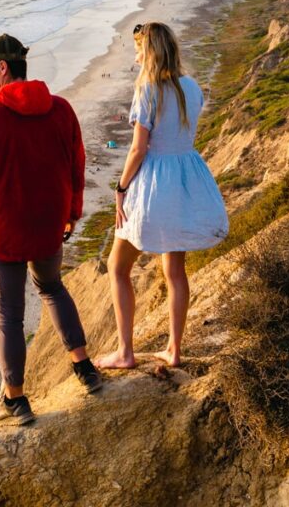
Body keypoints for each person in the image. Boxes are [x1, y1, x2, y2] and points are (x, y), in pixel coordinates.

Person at [0, 33, 102, 426]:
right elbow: (76, 163)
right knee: (52, 288)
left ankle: (15, 399)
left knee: (9, 317)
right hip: (49, 224)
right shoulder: (62, 109)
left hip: (5, 231)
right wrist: (73, 211)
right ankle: (85, 368)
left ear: (2, 67)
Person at [96, 22, 228, 369]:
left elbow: (139, 149)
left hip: (152, 183)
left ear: (149, 50)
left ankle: (125, 352)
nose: (135, 55)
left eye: (138, 48)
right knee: (174, 270)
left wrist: (121, 188)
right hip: (185, 179)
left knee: (118, 266)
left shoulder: (148, 89)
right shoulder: (191, 86)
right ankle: (174, 349)